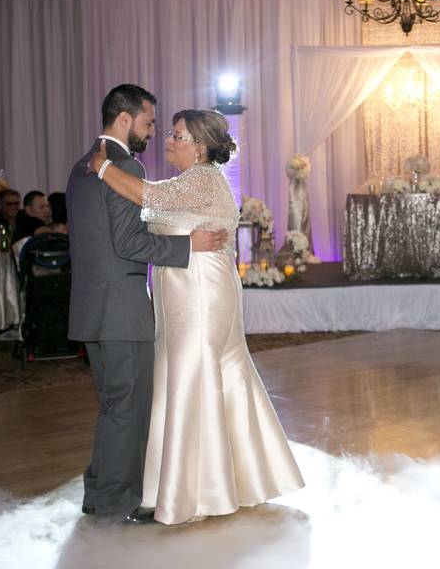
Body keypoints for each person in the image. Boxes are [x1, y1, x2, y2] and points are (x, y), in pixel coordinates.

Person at [88, 108, 304, 525]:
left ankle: (198, 491)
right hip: (189, 293)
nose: (168, 139)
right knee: (207, 375)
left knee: (193, 375)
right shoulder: (189, 182)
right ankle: (231, 480)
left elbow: (146, 197)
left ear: (200, 147)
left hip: (200, 295)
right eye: (170, 132)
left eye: (178, 135)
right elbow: (153, 208)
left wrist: (102, 168)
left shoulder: (203, 180)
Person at [67, 84, 229, 524]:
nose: (154, 132)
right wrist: (186, 245)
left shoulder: (83, 165)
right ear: (125, 119)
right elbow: (126, 241)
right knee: (128, 407)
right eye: (149, 122)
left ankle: (98, 490)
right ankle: (117, 501)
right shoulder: (122, 164)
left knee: (113, 404)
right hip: (122, 309)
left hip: (91, 307)